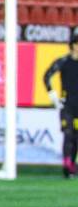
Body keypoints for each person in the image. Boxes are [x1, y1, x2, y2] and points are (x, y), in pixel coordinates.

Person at [43, 32, 78, 178]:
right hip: (67, 105)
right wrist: (53, 96)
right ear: (73, 45)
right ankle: (67, 165)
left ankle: (72, 165)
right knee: (68, 134)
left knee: (76, 137)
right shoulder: (63, 62)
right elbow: (47, 76)